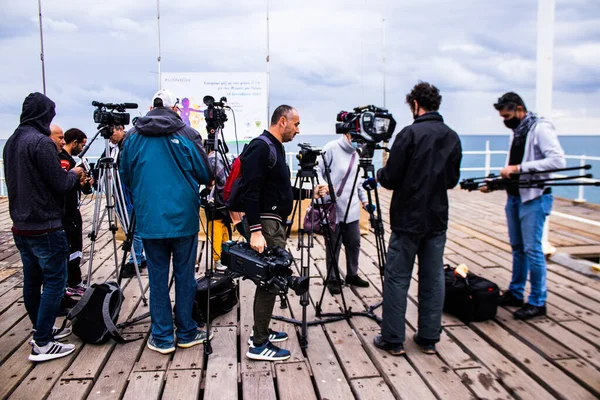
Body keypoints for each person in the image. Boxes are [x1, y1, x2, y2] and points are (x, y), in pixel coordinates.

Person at [120, 89, 212, 354]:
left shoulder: (132, 137)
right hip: (183, 218)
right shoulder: (186, 133)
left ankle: (161, 337)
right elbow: (205, 173)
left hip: (150, 220)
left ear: (151, 107)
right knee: (185, 276)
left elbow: (125, 175)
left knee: (158, 278)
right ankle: (186, 332)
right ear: (175, 109)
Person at [375, 82, 462, 356]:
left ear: (415, 104)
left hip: (407, 219)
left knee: (397, 278)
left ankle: (392, 338)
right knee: (433, 278)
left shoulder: (409, 134)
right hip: (436, 219)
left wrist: (379, 173)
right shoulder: (452, 137)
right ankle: (428, 337)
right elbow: (452, 180)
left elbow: (389, 179)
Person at [240, 105, 326, 361]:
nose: (298, 130)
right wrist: (255, 231)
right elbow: (250, 191)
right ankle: (258, 344)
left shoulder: (274, 147)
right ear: (282, 121)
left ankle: (261, 330)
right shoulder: (261, 146)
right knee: (270, 280)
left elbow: (281, 189)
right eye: (296, 124)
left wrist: (311, 193)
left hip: (272, 223)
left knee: (269, 279)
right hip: (265, 225)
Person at [3, 92, 84, 361]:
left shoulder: (12, 142)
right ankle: (43, 342)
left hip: (21, 224)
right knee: (54, 281)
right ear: (44, 115)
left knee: (32, 280)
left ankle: (42, 329)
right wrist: (73, 174)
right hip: (46, 225)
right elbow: (60, 185)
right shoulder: (41, 143)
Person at [486, 92, 565, 320]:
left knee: (533, 249)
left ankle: (538, 301)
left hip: (535, 198)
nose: (505, 120)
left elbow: (558, 161)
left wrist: (519, 168)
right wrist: (497, 183)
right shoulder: (517, 132)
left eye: (508, 115)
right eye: (502, 116)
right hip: (515, 196)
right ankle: (516, 291)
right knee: (517, 247)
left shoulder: (540, 128)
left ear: (520, 109)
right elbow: (513, 166)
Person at [316, 133, 371, 295]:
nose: (358, 141)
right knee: (333, 245)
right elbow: (317, 170)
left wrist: (365, 201)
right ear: (347, 134)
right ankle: (332, 278)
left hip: (352, 209)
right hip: (333, 208)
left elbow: (359, 182)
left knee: (354, 243)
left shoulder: (357, 154)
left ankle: (352, 274)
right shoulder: (331, 148)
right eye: (356, 137)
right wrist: (323, 185)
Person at [98, 124, 147, 277]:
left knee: (133, 227)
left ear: (120, 128)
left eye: (111, 132)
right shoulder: (114, 148)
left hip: (129, 192)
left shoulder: (129, 144)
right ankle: (140, 257)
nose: (110, 137)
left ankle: (135, 261)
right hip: (121, 191)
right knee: (132, 226)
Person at [60, 128, 92, 296]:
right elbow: (61, 185)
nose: (82, 149)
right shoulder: (64, 162)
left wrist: (83, 184)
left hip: (72, 211)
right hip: (67, 213)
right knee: (71, 249)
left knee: (75, 249)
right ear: (74, 143)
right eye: (82, 145)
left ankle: (73, 281)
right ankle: (71, 282)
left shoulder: (69, 161)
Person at [205, 143, 232, 271]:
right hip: (224, 204)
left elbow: (210, 180)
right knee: (224, 233)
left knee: (217, 234)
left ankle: (219, 259)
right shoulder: (222, 157)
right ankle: (225, 257)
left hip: (216, 206)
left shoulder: (212, 159)